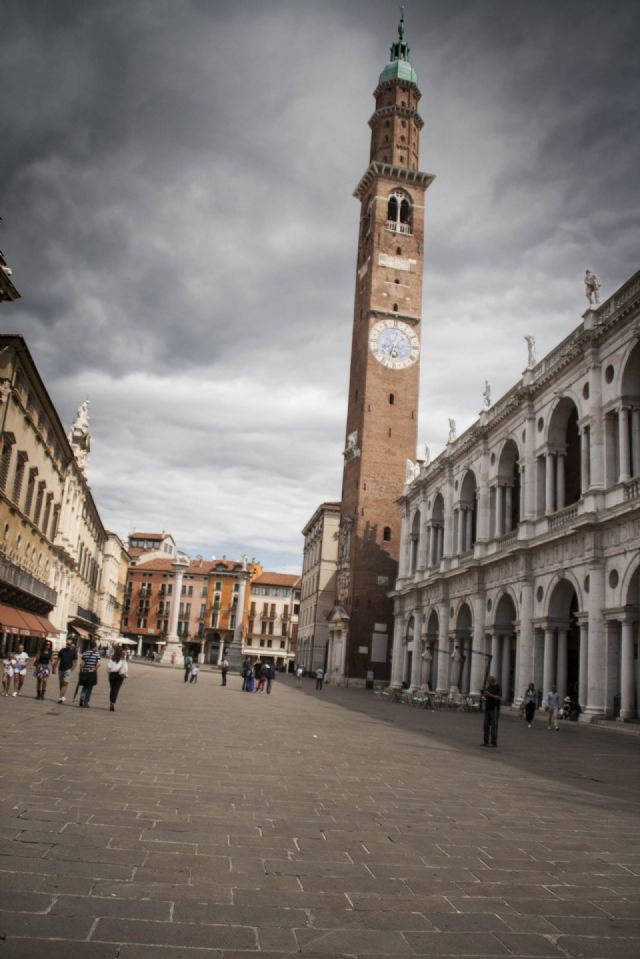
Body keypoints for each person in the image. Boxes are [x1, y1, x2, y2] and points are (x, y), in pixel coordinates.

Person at [55, 636, 78, 704]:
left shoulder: (73, 652)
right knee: (61, 683)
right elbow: (58, 659)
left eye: (69, 644)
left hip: (68, 669)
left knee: (65, 683)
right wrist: (54, 667)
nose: (67, 645)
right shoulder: (62, 650)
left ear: (71, 645)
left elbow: (75, 662)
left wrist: (71, 670)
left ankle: (60, 698)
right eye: (67, 644)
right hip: (61, 669)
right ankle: (62, 696)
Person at [78, 639, 100, 708]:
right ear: (95, 646)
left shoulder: (85, 653)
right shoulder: (96, 654)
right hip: (91, 673)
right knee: (90, 688)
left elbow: (81, 664)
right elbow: (98, 664)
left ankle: (81, 698)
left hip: (85, 672)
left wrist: (81, 671)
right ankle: (86, 702)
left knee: (84, 687)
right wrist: (94, 669)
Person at [482, 675, 502, 747]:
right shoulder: (489, 687)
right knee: (486, 725)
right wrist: (484, 697)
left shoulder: (498, 687)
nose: (488, 682)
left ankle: (493, 742)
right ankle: (485, 741)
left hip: (494, 708)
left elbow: (499, 697)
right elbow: (486, 696)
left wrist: (489, 694)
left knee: (494, 725)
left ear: (493, 681)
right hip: (487, 708)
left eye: (489, 681)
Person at [107, 645, 128, 711]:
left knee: (112, 689)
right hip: (119, 675)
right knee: (116, 689)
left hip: (112, 675)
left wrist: (109, 673)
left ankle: (111, 702)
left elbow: (108, 667)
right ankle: (113, 703)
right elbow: (125, 668)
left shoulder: (112, 658)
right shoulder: (123, 660)